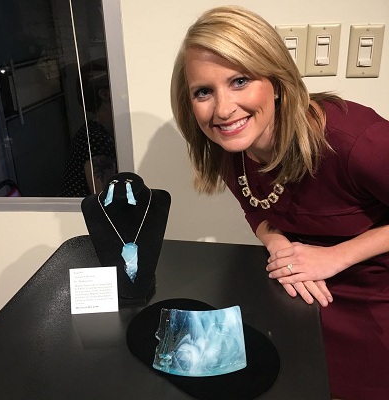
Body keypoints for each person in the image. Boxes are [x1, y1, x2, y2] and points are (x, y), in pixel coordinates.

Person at [171, 5, 389, 400]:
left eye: (239, 81)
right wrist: (278, 245)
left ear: (275, 81)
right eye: (204, 91)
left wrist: (335, 257)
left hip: (374, 302)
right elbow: (255, 207)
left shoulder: (356, 140)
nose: (223, 109)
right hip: (299, 299)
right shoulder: (230, 146)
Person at [59, 58, 117, 197]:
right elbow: (106, 199)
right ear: (105, 94)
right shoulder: (97, 139)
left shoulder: (94, 131)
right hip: (76, 210)